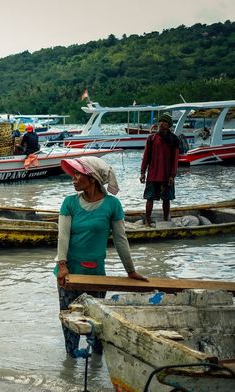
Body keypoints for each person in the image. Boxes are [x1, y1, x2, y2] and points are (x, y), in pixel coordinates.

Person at [55, 156, 147, 358]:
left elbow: (121, 240)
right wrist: (62, 265)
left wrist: (130, 271)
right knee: (70, 319)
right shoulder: (69, 203)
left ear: (92, 179)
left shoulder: (112, 205)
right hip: (69, 272)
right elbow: (63, 236)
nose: (73, 178)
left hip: (96, 274)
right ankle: (71, 361)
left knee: (97, 324)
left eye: (78, 174)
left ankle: (97, 364)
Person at [140, 113, 179, 227]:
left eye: (164, 122)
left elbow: (175, 160)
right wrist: (142, 173)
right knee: (149, 198)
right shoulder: (151, 138)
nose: (161, 124)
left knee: (167, 199)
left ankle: (166, 219)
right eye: (160, 122)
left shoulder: (174, 139)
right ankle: (147, 221)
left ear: (169, 125)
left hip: (167, 175)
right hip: (153, 174)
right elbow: (146, 156)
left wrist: (172, 175)